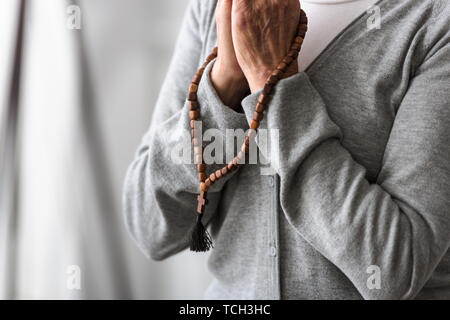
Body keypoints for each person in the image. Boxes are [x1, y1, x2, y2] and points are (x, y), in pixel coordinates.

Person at [123, 0, 450, 299]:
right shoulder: (215, 8)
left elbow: (396, 271)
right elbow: (149, 226)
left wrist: (271, 82)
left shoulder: (435, 25)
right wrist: (224, 87)